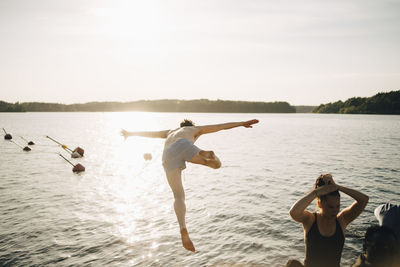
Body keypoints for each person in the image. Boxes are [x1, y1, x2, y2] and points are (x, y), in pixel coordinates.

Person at [121, 119, 259, 252]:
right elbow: (220, 126)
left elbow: (150, 134)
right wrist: (242, 123)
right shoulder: (194, 129)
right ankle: (207, 155)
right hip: (184, 144)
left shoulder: (170, 131)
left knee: (178, 196)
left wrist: (130, 133)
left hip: (167, 156)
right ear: (191, 126)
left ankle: (182, 227)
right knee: (217, 165)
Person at [288, 174, 369, 267]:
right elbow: (294, 212)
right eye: (330, 207)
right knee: (292, 264)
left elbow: (364, 199)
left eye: (337, 206)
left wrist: (337, 187)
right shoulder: (310, 220)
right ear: (319, 203)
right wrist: (316, 193)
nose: (335, 211)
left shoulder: (342, 220)